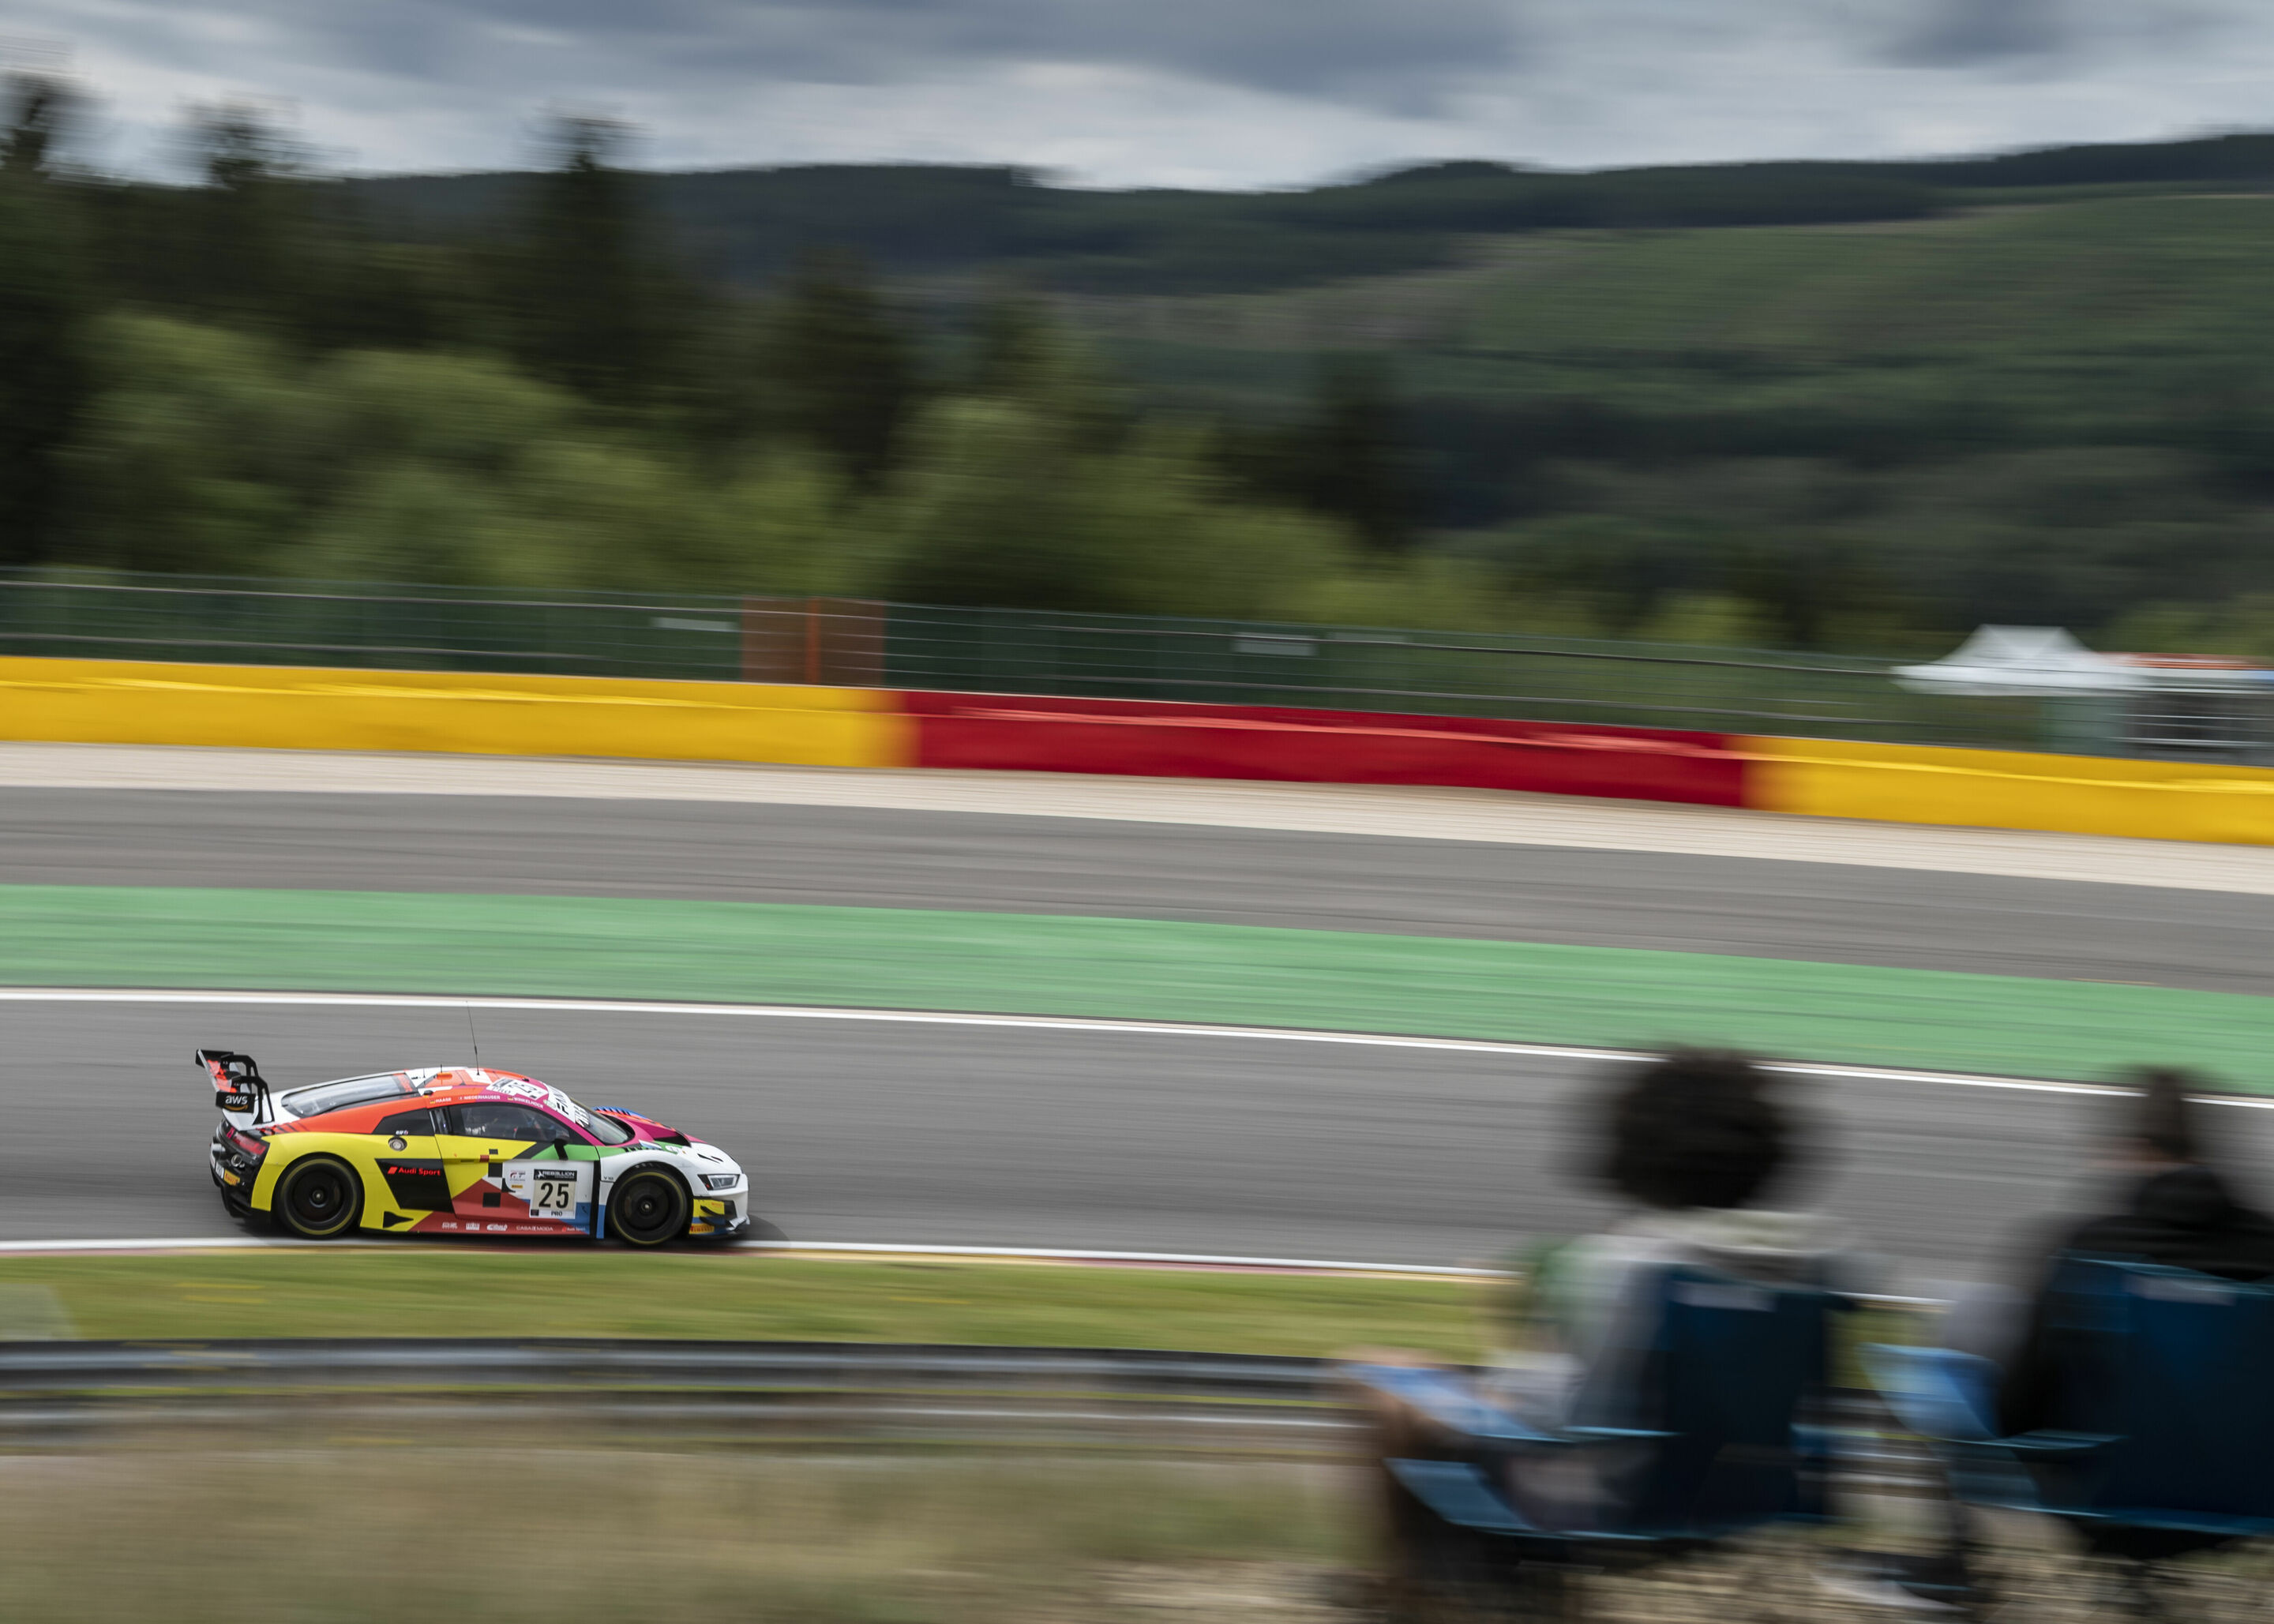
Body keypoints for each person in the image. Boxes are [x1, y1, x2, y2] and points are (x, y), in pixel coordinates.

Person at [1359, 1049, 1864, 1535]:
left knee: (1382, 1385)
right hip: (1767, 1498)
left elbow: (1572, 1416)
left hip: (1617, 1504)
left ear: (1634, 1152)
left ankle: (1413, 1599)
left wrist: (1507, 1357)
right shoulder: (1827, 1263)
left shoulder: (1622, 1264)